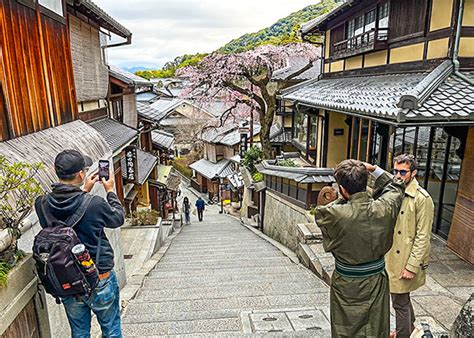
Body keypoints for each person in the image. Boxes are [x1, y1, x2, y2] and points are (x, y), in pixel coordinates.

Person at [35, 150, 125, 338]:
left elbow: (60, 223)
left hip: (67, 278)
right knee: (111, 329)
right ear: (81, 175)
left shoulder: (42, 204)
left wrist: (83, 191)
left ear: (56, 171)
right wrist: (110, 190)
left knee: (80, 332)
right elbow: (117, 218)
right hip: (99, 275)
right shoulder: (95, 204)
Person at [314, 159, 405, 337]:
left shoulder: (332, 214)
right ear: (365, 184)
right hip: (376, 279)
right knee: (376, 326)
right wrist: (374, 169)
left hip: (347, 281)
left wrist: (344, 194)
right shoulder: (385, 207)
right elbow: (396, 185)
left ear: (343, 189)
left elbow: (325, 208)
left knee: (345, 328)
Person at [386, 154, 434, 338]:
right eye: (395, 170)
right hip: (391, 256)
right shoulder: (394, 189)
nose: (398, 175)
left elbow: (423, 236)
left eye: (403, 172)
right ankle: (411, 328)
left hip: (405, 258)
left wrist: (412, 266)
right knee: (401, 298)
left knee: (399, 302)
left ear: (413, 173)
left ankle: (403, 334)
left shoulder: (422, 198)